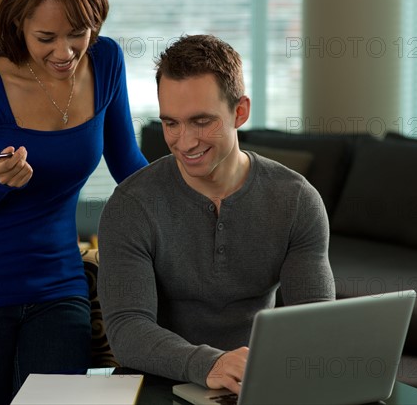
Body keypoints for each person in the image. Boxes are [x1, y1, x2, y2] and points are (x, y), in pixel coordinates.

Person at [0, 0, 148, 403]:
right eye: (46, 38)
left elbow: (127, 162)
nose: (64, 53)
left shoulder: (105, 63)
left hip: (59, 286)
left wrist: (192, 195)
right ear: (17, 24)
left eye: (77, 34)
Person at [97, 34, 335, 394]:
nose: (185, 142)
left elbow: (315, 325)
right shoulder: (131, 204)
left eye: (201, 121)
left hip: (254, 385)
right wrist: (210, 364)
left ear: (240, 112)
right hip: (158, 384)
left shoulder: (296, 200)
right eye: (171, 123)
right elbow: (128, 330)